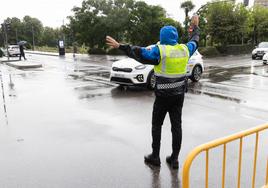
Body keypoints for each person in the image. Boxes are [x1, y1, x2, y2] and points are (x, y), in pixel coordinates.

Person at [106, 15, 200, 169]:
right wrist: (195, 27)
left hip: (163, 97)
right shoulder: (184, 49)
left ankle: (155, 157)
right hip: (179, 96)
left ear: (162, 37)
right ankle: (175, 159)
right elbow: (195, 41)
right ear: (175, 37)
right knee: (177, 127)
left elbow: (139, 52)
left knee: (157, 125)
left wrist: (120, 46)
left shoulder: (159, 51)